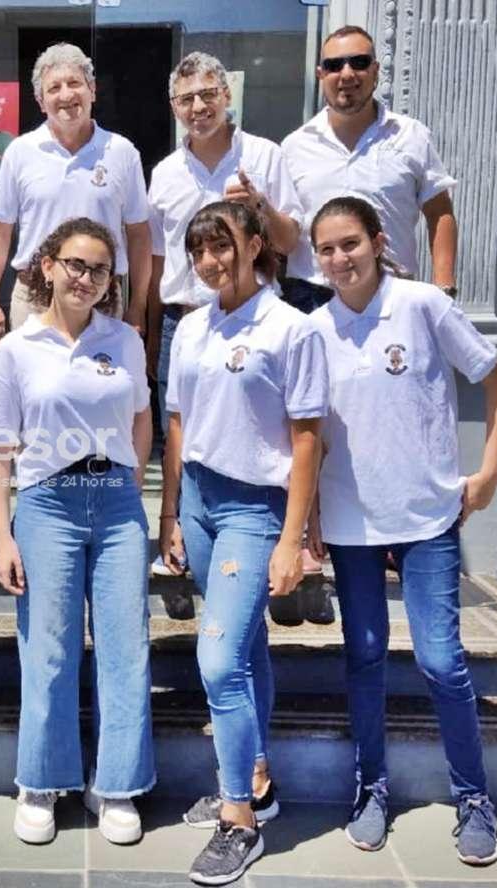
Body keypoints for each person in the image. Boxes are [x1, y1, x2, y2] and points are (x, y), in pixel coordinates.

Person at [305, 196, 497, 865]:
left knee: (441, 660)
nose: (340, 258)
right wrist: (309, 516)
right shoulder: (316, 328)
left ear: (377, 240)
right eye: (326, 249)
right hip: (350, 520)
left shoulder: (422, 304)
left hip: (427, 516)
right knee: (364, 655)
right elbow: (310, 432)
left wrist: (488, 472)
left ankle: (473, 796)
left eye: (350, 243)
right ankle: (371, 787)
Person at [159, 202, 327, 885]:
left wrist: (293, 538)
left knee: (219, 658)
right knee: (247, 647)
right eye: (198, 250)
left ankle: (239, 820)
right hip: (200, 501)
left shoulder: (291, 328)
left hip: (256, 509)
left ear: (256, 245)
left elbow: (308, 438)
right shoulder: (191, 326)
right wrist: (171, 511)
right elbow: (177, 422)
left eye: (222, 246)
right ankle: (256, 779)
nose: (209, 262)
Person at [0, 218, 155, 847]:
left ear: (111, 280)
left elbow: (142, 418)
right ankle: (41, 780)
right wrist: (2, 535)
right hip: (47, 505)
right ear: (48, 267)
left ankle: (116, 784)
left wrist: (130, 480)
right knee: (48, 648)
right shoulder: (16, 349)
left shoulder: (125, 340)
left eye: (99, 269)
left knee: (124, 646)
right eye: (75, 264)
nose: (86, 278)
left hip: (116, 507)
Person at [147, 51, 304, 575]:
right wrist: (149, 329)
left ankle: (277, 540)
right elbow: (156, 261)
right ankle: (181, 536)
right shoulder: (164, 173)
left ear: (227, 95)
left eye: (207, 94)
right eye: (186, 99)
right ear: (173, 107)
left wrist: (259, 206)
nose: (198, 107)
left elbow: (291, 240)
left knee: (263, 435)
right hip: (185, 318)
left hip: (254, 319)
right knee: (181, 433)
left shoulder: (264, 155)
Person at [0, 43, 152, 345]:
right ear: (40, 101)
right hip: (35, 299)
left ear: (92, 90)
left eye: (74, 83)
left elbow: (138, 234)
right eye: (54, 88)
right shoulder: (20, 152)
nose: (66, 95)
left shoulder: (122, 152)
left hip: (102, 299)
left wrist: (138, 304)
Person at [281, 25, 458, 313]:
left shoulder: (411, 136)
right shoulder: (293, 147)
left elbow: (439, 212)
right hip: (312, 298)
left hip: (393, 293)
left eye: (359, 62)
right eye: (334, 65)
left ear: (375, 71)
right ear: (320, 75)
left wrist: (444, 288)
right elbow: (284, 232)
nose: (347, 74)